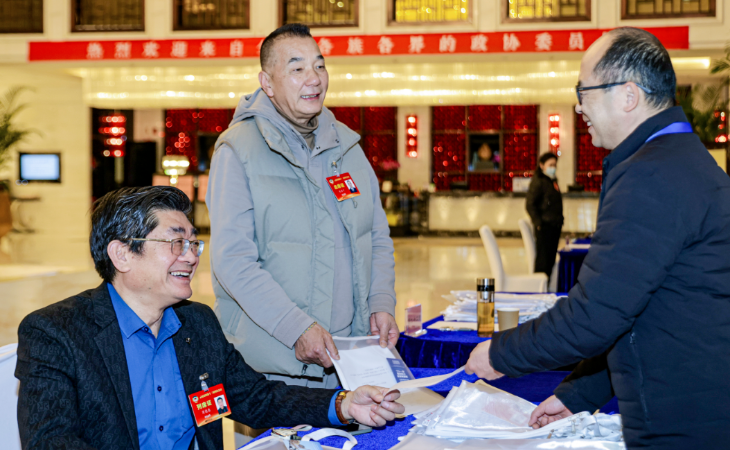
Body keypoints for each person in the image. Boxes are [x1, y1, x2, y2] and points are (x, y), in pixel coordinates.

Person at [465, 27, 730, 449]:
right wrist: (579, 394)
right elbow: (640, 312)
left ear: (628, 95)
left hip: (684, 419)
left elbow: (594, 316)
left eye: (583, 91)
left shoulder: (652, 174)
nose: (578, 106)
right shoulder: (677, 158)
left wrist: (500, 354)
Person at [15, 186, 404, 450]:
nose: (191, 256)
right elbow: (51, 442)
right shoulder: (56, 333)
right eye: (175, 242)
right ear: (122, 254)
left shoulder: (196, 323)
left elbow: (254, 398)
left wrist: (344, 405)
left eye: (193, 242)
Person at [206, 23, 398, 389]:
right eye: (297, 68)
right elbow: (233, 260)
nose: (314, 78)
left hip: (348, 355)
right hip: (274, 364)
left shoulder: (347, 148)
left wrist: (381, 301)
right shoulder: (238, 150)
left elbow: (375, 236)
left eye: (319, 66)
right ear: (267, 83)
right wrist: (296, 327)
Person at [525, 152, 563, 279]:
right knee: (543, 262)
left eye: (554, 165)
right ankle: (539, 287)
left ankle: (546, 286)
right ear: (542, 165)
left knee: (550, 260)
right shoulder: (539, 181)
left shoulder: (552, 181)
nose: (553, 167)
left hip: (554, 226)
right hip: (545, 227)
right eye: (550, 165)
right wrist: (538, 223)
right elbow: (530, 204)